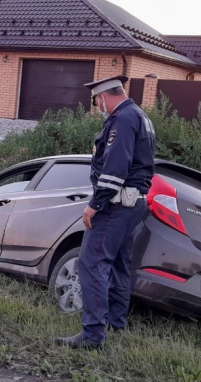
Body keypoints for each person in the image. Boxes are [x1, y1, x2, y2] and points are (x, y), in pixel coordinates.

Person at [56, 75, 155, 350]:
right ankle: (115, 323)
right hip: (133, 203)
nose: (98, 107)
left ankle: (92, 336)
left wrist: (95, 204)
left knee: (92, 264)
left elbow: (115, 167)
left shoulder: (122, 119)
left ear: (102, 96)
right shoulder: (140, 116)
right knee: (119, 264)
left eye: (96, 101)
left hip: (116, 204)